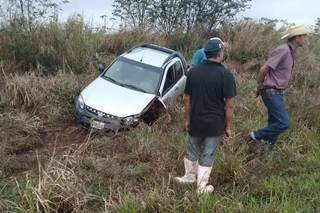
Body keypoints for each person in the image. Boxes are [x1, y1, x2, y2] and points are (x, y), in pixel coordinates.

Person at [175, 38, 237, 194]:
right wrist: (228, 127)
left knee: (192, 149)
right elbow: (229, 105)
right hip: (214, 123)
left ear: (205, 53)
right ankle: (201, 187)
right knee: (208, 153)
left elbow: (187, 98)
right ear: (219, 53)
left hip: (195, 120)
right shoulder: (226, 75)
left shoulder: (193, 72)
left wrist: (187, 119)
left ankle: (189, 177)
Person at [244, 24, 313, 151]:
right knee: (283, 123)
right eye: (303, 36)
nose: (305, 39)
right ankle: (252, 136)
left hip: (277, 92)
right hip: (271, 91)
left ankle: (267, 154)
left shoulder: (291, 52)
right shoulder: (284, 50)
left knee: (274, 124)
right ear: (296, 37)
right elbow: (264, 68)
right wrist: (259, 85)